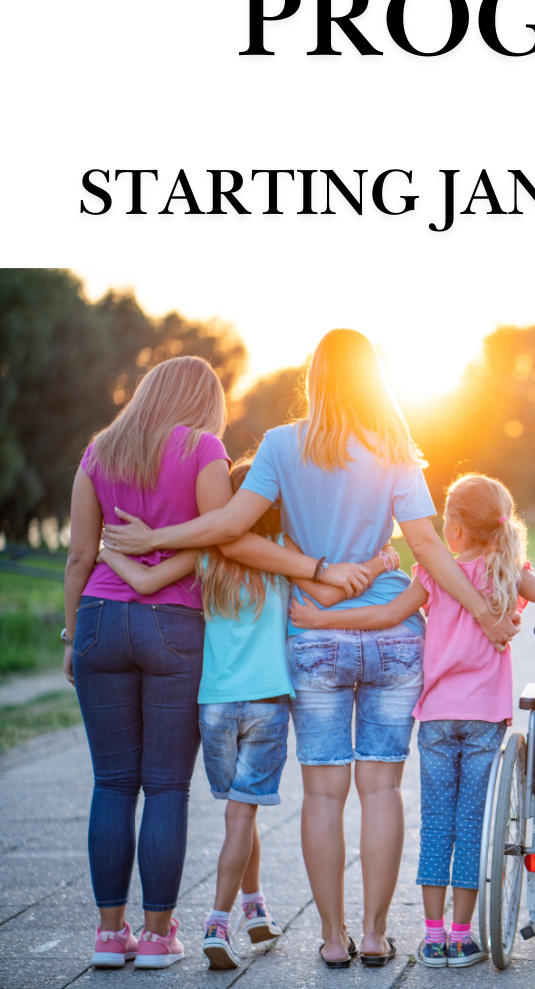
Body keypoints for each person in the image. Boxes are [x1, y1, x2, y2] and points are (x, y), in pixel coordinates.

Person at [102, 329, 520, 969]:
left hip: (316, 633)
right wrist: (487, 613)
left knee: (324, 795)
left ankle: (332, 939)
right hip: (390, 637)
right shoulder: (394, 449)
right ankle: (377, 935)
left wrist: (154, 536)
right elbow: (430, 549)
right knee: (382, 791)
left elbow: (229, 528)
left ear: (314, 378)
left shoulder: (280, 444)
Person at [290, 474, 535, 967]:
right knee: (471, 827)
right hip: (485, 720)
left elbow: (386, 616)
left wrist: (320, 619)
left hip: (436, 720)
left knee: (436, 827)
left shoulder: (432, 573)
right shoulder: (510, 571)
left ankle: (432, 937)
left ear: (453, 531)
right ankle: (463, 936)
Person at [64, 356, 367, 972]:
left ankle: (105, 933)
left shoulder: (99, 450)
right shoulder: (203, 448)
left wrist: (74, 634)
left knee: (112, 784)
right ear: (203, 403)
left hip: (97, 616)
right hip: (172, 626)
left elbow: (78, 555)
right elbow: (220, 537)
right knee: (167, 786)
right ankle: (155, 937)